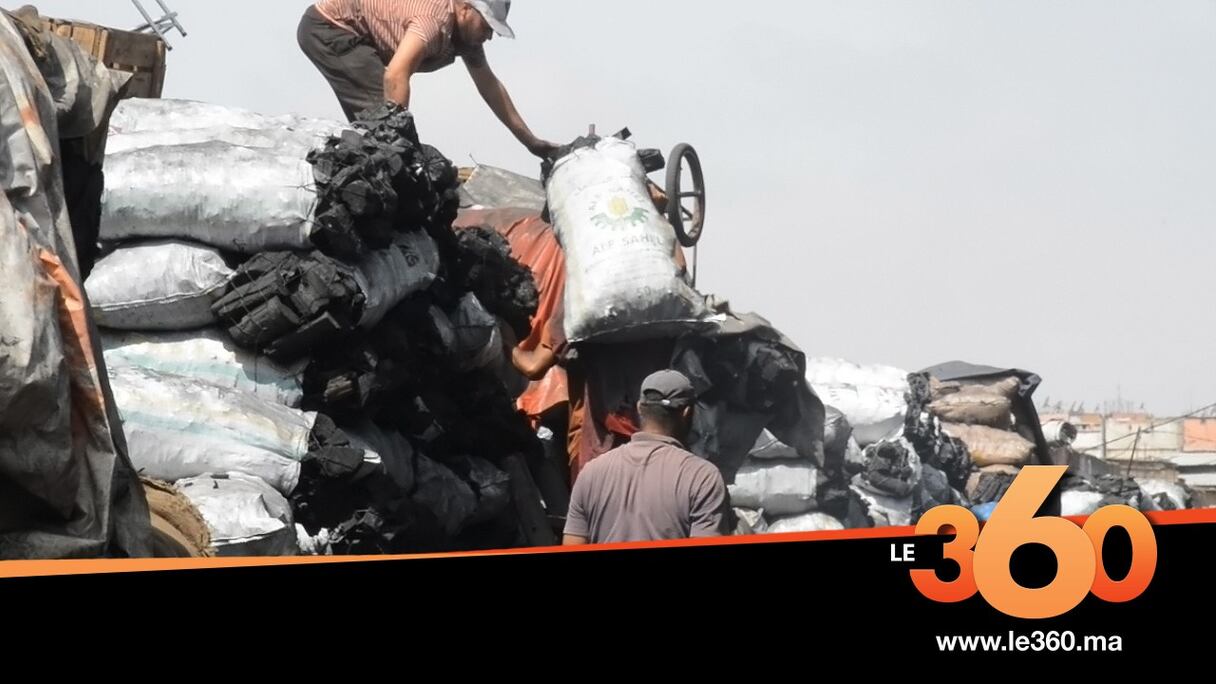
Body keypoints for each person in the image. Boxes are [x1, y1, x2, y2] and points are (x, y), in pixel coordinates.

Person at [298, 0, 557, 158]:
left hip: (360, 42)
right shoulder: (433, 20)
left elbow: (489, 85)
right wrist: (400, 143)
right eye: (486, 27)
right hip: (330, 29)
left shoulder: (466, 37)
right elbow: (396, 74)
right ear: (466, 8)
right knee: (386, 129)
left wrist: (529, 141)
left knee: (384, 134)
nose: (488, 36)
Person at [563, 370, 731, 544]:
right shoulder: (702, 477)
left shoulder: (591, 473)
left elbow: (572, 543)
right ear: (687, 412)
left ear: (639, 408)